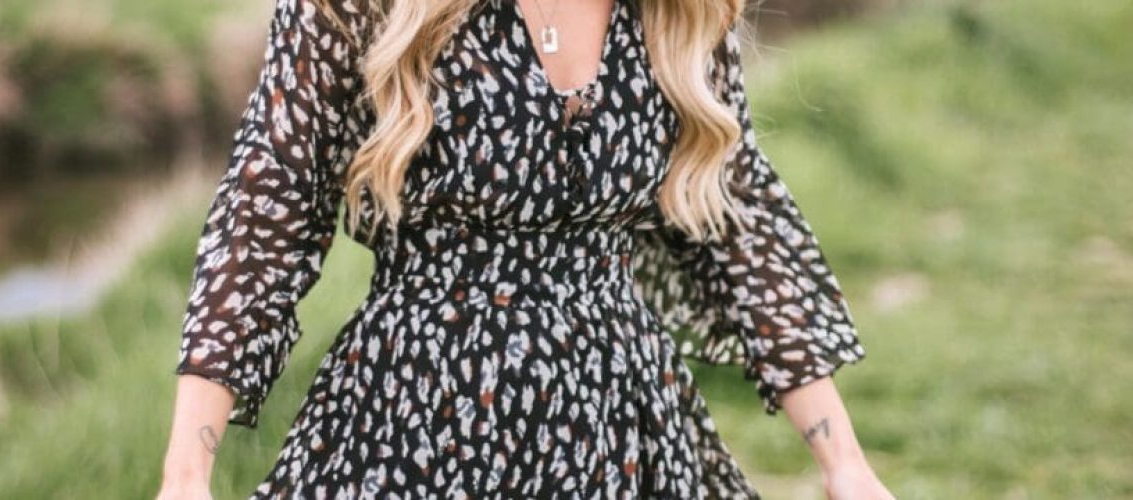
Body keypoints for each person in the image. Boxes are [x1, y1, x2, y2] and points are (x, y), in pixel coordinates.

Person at [157, 0, 893, 498]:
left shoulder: (677, 10)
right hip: (415, 423)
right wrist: (187, 475)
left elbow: (740, 226)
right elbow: (266, 212)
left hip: (619, 431)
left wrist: (844, 462)